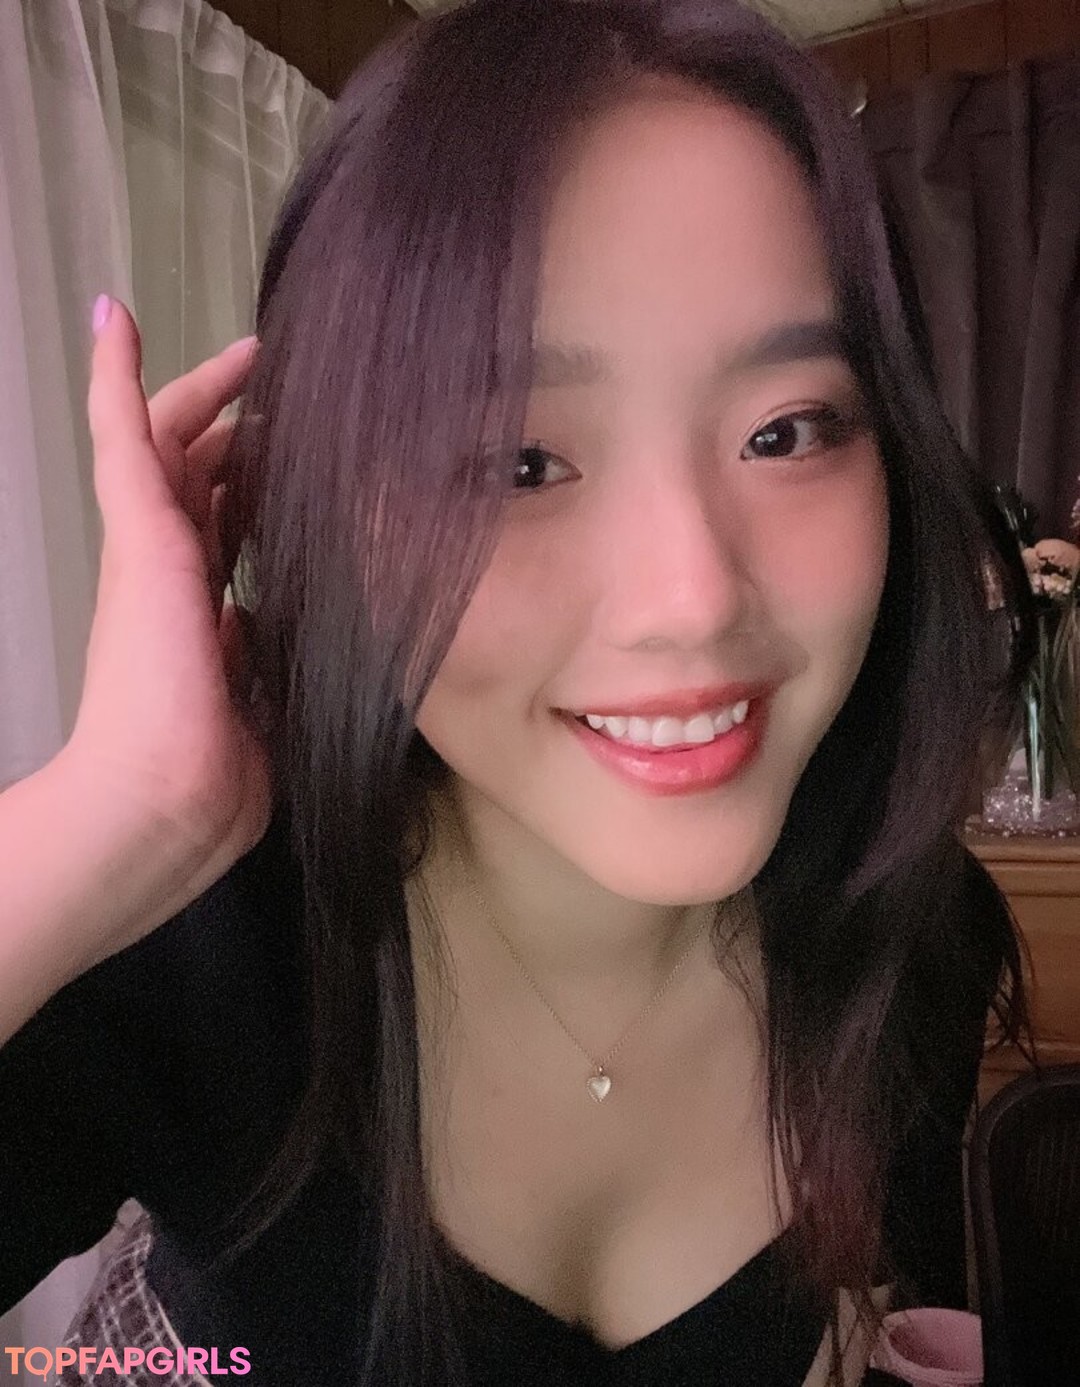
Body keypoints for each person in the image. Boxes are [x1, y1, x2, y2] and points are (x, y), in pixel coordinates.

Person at [0, 1, 1033, 1384]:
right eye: (518, 464)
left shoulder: (909, 935)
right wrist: (113, 815)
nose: (691, 600)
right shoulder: (205, 939)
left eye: (785, 432)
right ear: (330, 512)